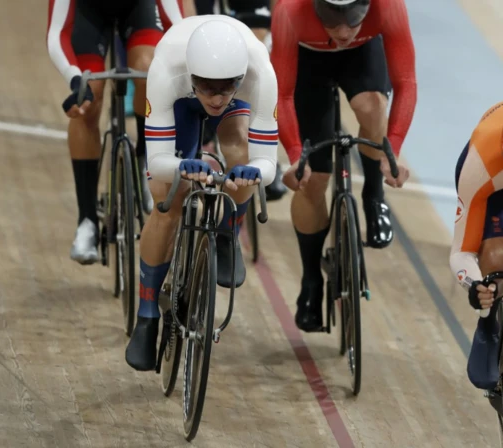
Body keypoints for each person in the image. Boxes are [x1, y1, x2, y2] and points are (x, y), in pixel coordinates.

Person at [124, 15, 279, 371]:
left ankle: (228, 230)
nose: (216, 97)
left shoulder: (260, 73)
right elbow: (157, 160)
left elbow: (266, 165)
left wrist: (252, 171)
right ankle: (147, 315)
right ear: (193, 76)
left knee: (240, 150)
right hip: (179, 101)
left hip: (230, 95)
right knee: (167, 202)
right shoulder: (166, 69)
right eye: (208, 87)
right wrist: (181, 167)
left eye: (225, 88)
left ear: (239, 78)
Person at [271, 0, 415, 332]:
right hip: (307, 61)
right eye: (333, 21)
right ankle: (311, 280)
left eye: (353, 19)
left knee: (373, 105)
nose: (344, 31)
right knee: (314, 180)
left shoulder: (388, 6)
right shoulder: (289, 12)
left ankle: (374, 198)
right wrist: (296, 154)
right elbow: (283, 95)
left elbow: (406, 83)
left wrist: (390, 152)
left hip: (362, 56)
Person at [46, 0, 170, 264]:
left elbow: (178, 25)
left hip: (140, 8)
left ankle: (144, 161)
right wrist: (74, 78)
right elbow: (57, 33)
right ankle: (87, 220)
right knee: (89, 97)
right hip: (88, 13)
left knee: (150, 74)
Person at [160, 0, 289, 201]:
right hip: (194, 55)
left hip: (236, 50)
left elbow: (261, 24)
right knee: (171, 198)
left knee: (241, 147)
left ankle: (229, 225)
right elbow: (184, 22)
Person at [450, 103, 503, 394]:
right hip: (494, 183)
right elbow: (462, 251)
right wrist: (476, 286)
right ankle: (489, 320)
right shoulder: (482, 163)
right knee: (495, 258)